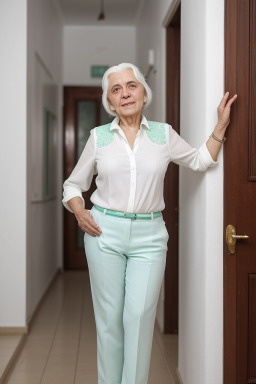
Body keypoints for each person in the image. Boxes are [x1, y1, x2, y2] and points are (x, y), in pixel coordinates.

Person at [62, 63, 237, 384]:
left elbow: (199, 160)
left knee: (140, 319)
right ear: (109, 102)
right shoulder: (99, 138)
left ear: (144, 93)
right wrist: (79, 210)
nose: (125, 93)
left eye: (131, 85)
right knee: (109, 323)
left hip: (150, 236)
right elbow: (73, 184)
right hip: (103, 232)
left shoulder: (163, 134)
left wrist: (221, 126)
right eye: (116, 89)